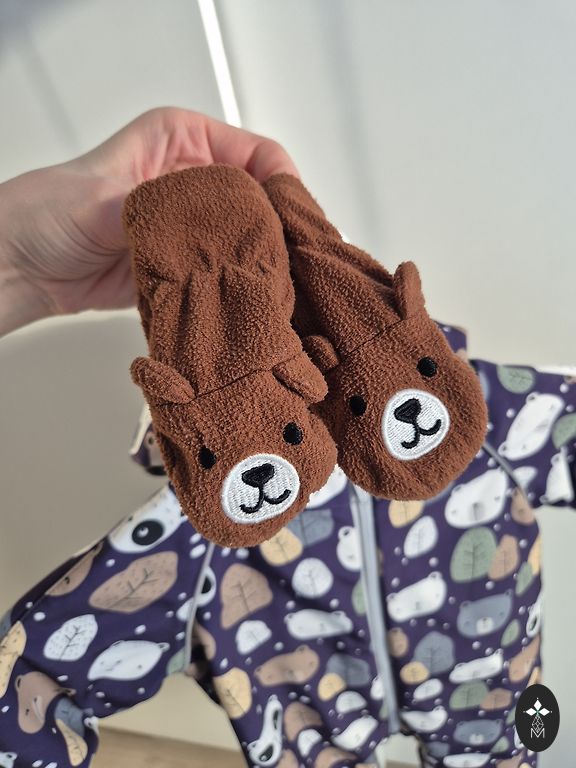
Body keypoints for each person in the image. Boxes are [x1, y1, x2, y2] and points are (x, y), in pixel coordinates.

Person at [0, 108, 574, 768]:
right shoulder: (205, 515)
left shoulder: (491, 413)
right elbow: (33, 674)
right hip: (304, 725)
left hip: (492, 695)